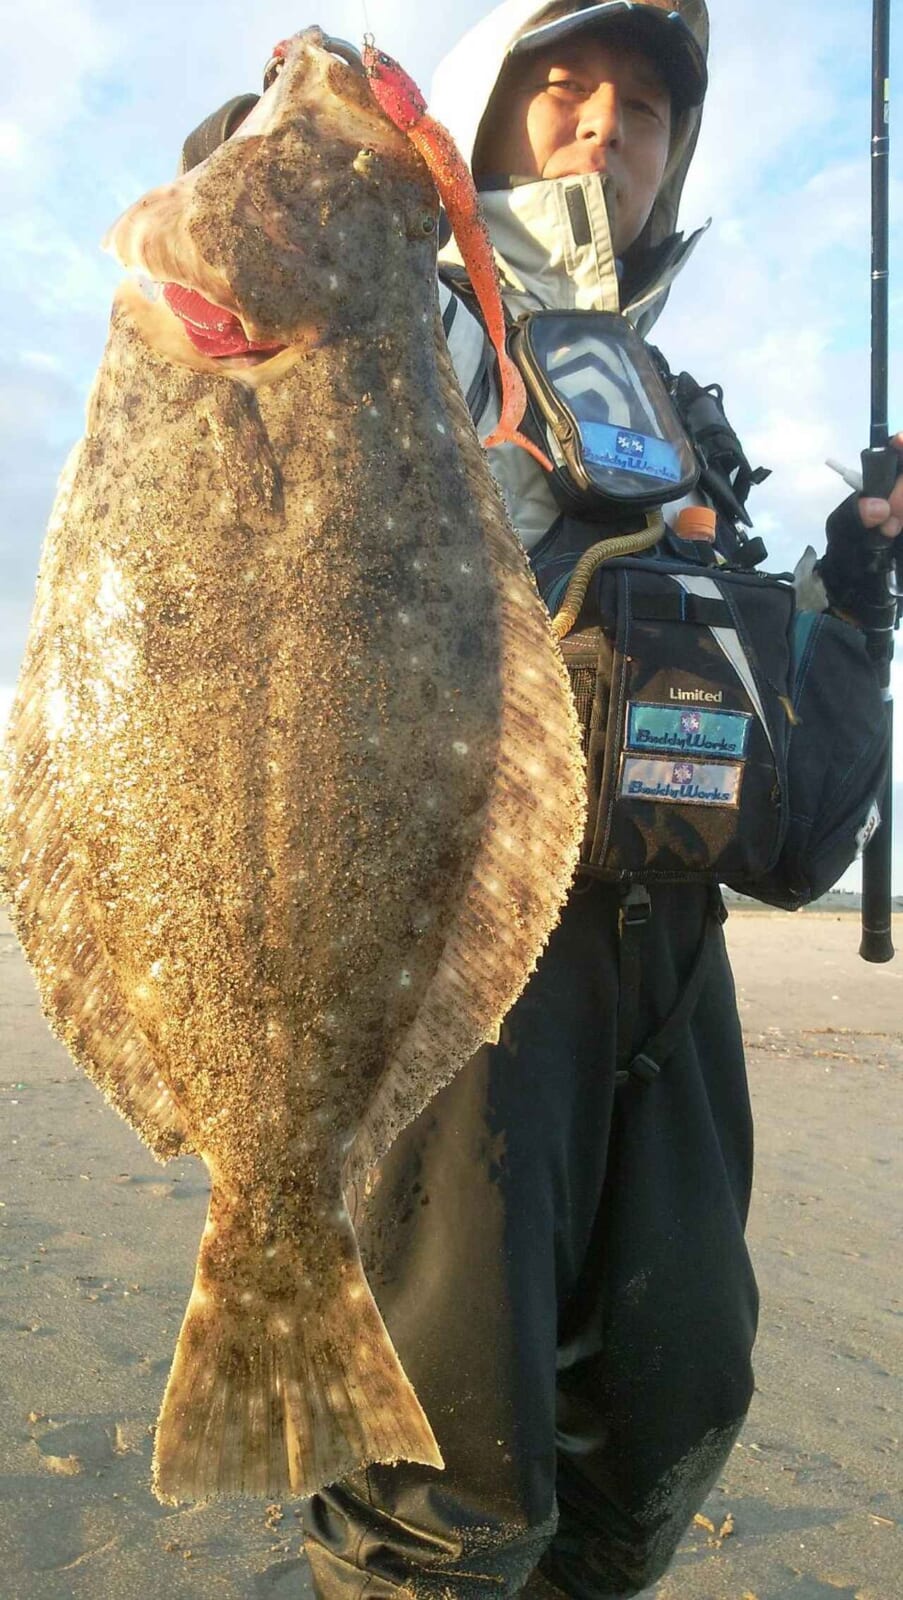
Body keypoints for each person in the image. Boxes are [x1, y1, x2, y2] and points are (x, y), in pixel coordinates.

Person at [181, 3, 902, 1593]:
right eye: (564, 87)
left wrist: (856, 600)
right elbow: (234, 332)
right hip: (463, 990)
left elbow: (796, 833)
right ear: (496, 113)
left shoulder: (682, 415)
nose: (604, 128)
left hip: (672, 1004)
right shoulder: (405, 324)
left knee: (666, 1425)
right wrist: (274, 179)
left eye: (646, 108)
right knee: (447, 1485)